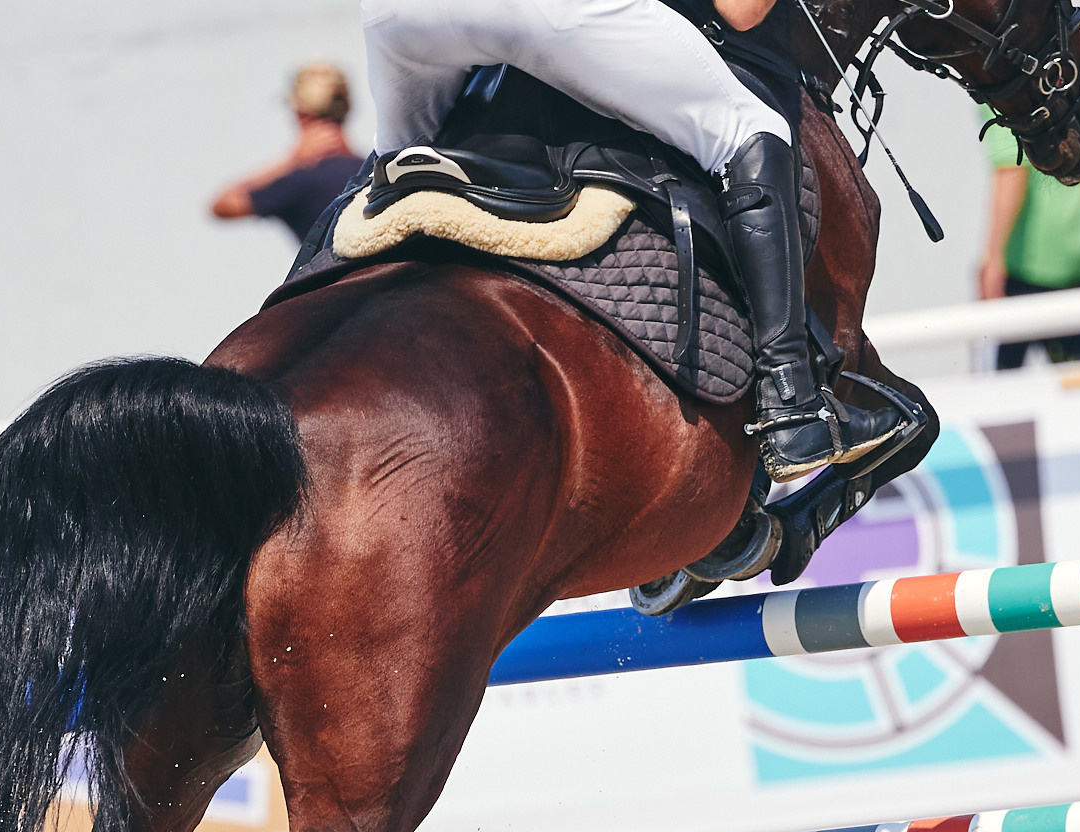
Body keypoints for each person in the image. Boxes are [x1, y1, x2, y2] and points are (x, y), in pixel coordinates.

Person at [360, 0, 901, 480]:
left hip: (399, 17)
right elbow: (741, 13)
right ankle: (793, 403)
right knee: (749, 130)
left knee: (394, 180)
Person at [978, 114, 1080, 368]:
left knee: (1002, 390)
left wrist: (993, 258)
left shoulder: (1002, 94)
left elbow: (1012, 170)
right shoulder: (1054, 83)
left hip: (1030, 259)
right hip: (1078, 247)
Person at [212, 64, 369, 243]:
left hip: (328, 270)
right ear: (347, 108)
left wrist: (289, 161)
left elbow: (221, 206)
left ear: (300, 112)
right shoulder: (376, 171)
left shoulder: (296, 182)